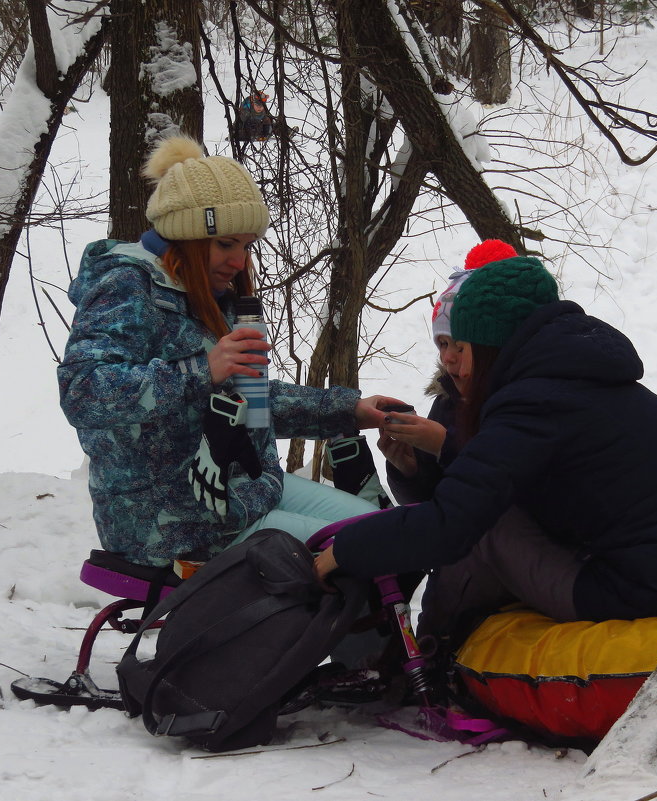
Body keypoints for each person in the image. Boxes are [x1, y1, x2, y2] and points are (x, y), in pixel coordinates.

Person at [316, 247, 657, 649]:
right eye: (444, 347)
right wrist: (428, 460)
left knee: (487, 532)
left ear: (490, 347)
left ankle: (430, 660)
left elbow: (451, 525)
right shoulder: (579, 376)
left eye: (461, 347)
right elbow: (507, 476)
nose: (453, 364)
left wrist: (342, 549)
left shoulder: (532, 401)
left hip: (648, 585)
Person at [59, 136, 403, 568]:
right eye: (225, 244)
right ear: (186, 236)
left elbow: (250, 403)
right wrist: (203, 370)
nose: (239, 262)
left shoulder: (207, 295)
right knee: (367, 556)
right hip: (172, 523)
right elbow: (82, 392)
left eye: (246, 246)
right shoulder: (126, 286)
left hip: (246, 490)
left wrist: (349, 410)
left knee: (380, 532)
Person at [379, 239, 517, 504]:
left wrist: (446, 446)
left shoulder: (525, 401)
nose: (448, 357)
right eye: (442, 343)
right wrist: (409, 470)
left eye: (462, 345)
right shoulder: (447, 401)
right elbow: (434, 504)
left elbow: (511, 495)